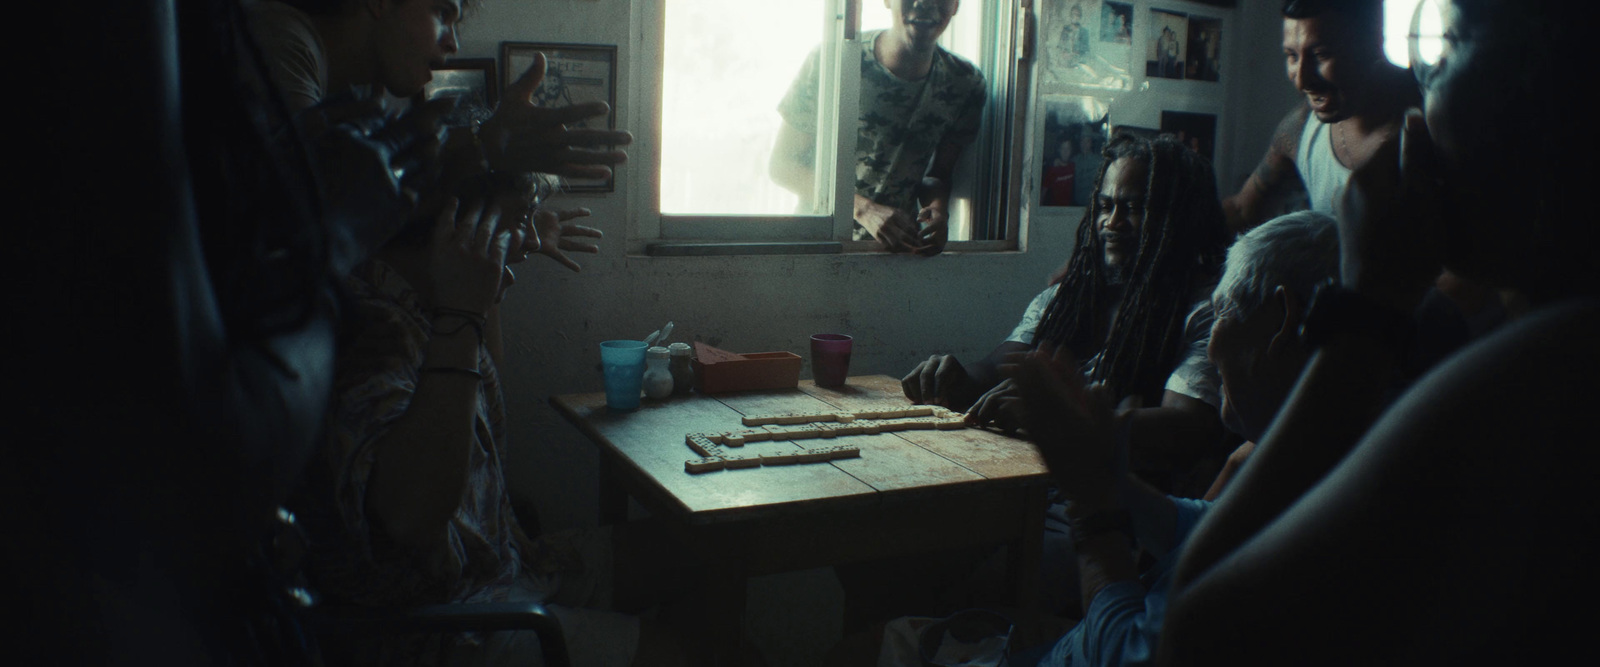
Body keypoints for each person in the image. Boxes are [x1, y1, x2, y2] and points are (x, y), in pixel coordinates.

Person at [1156, 0, 1600, 662]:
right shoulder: (1301, 132)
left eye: (1444, 60)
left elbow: (1198, 631)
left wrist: (1366, 310)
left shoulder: (1530, 381)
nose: (1419, 106)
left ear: (1530, 114)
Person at [894, 135, 1229, 621]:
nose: (1112, 224)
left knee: (960, 591)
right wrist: (956, 378)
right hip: (1021, 492)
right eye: (1106, 207)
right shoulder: (1067, 298)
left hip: (1112, 517)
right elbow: (998, 369)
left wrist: (1061, 421)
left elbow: (1187, 428)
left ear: (1179, 219)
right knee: (897, 560)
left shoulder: (1202, 312)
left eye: (1134, 210)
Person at [1004, 210, 1340, 667]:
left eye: (1222, 313)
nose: (1213, 346)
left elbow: (1125, 654)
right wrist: (1109, 473)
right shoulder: (1310, 458)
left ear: (1282, 319)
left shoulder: (1319, 505)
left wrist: (1092, 507)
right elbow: (1195, 526)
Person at [770, 0, 986, 255]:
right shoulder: (834, 61)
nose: (924, 4)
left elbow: (937, 175)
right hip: (819, 246)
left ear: (957, 4)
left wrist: (938, 212)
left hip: (897, 254)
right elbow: (783, 165)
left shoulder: (965, 83)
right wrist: (864, 209)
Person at [1221, 0, 1416, 232]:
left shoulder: (1431, 122)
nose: (1302, 81)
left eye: (1321, 55)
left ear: (1373, 42)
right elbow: (1242, 208)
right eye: (1292, 56)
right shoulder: (1301, 126)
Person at [1043, 137, 1077, 206]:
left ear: (1071, 150)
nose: (1065, 152)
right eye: (1063, 148)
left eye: (1068, 148)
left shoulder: (1074, 166)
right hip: (1054, 209)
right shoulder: (1052, 169)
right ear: (1059, 150)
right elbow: (1043, 192)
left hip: (1070, 208)